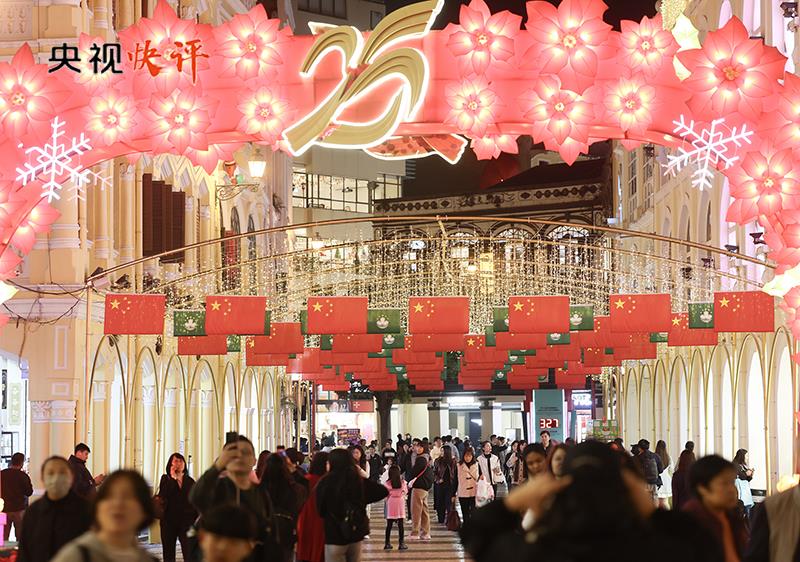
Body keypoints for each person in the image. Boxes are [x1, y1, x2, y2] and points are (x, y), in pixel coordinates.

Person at [461, 441, 717, 562]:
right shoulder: (649, 548)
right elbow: (704, 543)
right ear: (624, 484)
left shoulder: (543, 550)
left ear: (562, 485)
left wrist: (519, 497)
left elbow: (476, 534)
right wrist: (650, 510)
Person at [191, 436, 280, 562]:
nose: (239, 457)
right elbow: (196, 497)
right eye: (233, 452)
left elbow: (271, 531)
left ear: (254, 460)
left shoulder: (260, 493)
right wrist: (217, 466)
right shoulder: (217, 488)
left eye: (246, 453)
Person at [51, 470, 158, 562]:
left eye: (128, 497)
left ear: (144, 509)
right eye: (109, 496)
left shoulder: (148, 559)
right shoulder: (75, 556)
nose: (118, 504)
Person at [315, 448, 388, 562]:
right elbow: (382, 491)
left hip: (334, 533)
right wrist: (362, 501)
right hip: (355, 532)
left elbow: (320, 509)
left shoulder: (325, 482)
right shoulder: (357, 480)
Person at [17, 456, 90, 562]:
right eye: (50, 473)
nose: (56, 478)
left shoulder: (86, 510)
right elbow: (24, 552)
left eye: (62, 473)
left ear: (72, 477)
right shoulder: (33, 512)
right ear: (43, 478)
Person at [683, 455, 748, 562]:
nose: (732, 490)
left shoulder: (732, 517)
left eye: (732, 482)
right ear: (702, 488)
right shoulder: (689, 524)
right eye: (724, 484)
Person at [259, 452, 307, 562]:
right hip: (286, 531)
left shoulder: (259, 490)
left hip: (265, 531)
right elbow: (305, 487)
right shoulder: (292, 489)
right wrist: (293, 470)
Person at [156, 452, 198, 562]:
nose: (178, 463)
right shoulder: (165, 479)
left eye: (181, 461)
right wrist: (173, 478)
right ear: (170, 464)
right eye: (175, 461)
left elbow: (194, 500)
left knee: (189, 552)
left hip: (186, 522)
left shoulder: (190, 481)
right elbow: (164, 495)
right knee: (168, 553)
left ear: (184, 464)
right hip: (168, 521)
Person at [297, 451, 328, 562]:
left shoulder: (305, 479)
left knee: (306, 546)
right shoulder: (326, 481)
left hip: (305, 517)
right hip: (321, 518)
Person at [1, 452, 32, 540]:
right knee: (20, 537)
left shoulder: (2, 474)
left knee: (3, 537)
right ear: (22, 462)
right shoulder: (23, 476)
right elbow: (29, 492)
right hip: (19, 509)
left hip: (4, 509)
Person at [409, 441, 434, 540]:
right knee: (424, 511)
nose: (418, 449)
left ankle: (415, 533)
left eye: (420, 447)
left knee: (416, 511)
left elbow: (414, 472)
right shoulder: (427, 457)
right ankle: (426, 533)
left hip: (419, 487)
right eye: (417, 447)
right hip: (425, 487)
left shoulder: (420, 459)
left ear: (424, 448)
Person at [383, 464, 408, 551]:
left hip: (391, 502)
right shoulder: (403, 482)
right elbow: (405, 492)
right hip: (400, 502)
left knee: (389, 524)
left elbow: (385, 495)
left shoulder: (387, 484)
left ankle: (387, 543)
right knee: (401, 524)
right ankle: (401, 543)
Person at [433, 444, 458, 524]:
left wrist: (456, 487)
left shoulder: (453, 462)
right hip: (440, 485)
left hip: (450, 485)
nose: (441, 452)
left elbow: (456, 475)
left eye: (443, 451)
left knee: (449, 504)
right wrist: (438, 479)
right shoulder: (437, 461)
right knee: (440, 503)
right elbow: (434, 472)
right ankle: (441, 519)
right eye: (441, 451)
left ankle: (449, 520)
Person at [635, 439, 664, 504]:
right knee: (654, 498)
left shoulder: (637, 458)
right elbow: (661, 470)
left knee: (644, 500)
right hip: (654, 482)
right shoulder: (656, 456)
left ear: (639, 448)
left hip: (643, 482)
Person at [457, 447, 480, 524]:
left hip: (474, 492)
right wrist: (453, 493)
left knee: (474, 511)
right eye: (466, 456)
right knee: (465, 512)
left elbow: (480, 476)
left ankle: (473, 526)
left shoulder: (477, 464)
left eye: (469, 456)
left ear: (472, 456)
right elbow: (455, 480)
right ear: (463, 456)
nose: (467, 458)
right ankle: (466, 526)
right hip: (463, 492)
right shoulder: (458, 465)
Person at [732, 449, 755, 521]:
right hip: (740, 490)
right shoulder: (735, 465)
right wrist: (746, 474)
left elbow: (747, 479)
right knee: (742, 509)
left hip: (745, 491)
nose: (747, 458)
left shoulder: (743, 465)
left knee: (748, 510)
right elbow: (741, 476)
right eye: (746, 456)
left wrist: (750, 475)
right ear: (742, 456)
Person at [655, 440, 673, 509]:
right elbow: (672, 469)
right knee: (665, 502)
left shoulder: (654, 457)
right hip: (666, 481)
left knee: (656, 503)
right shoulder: (668, 457)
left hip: (657, 480)